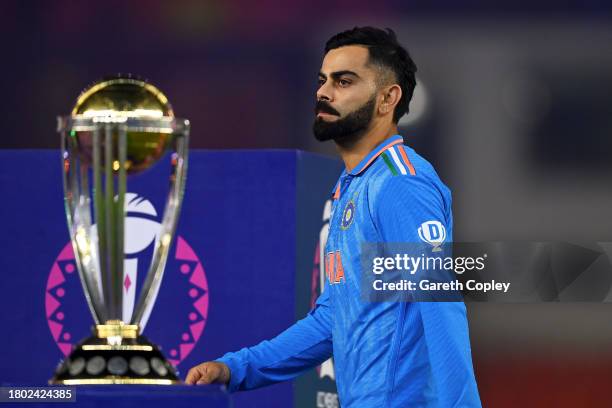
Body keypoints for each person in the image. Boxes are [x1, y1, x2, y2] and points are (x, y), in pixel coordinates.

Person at [186, 26, 481, 407]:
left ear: (388, 98)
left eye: (344, 81)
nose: (323, 92)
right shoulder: (352, 186)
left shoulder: (399, 184)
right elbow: (332, 318)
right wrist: (236, 369)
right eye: (323, 80)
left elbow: (440, 300)